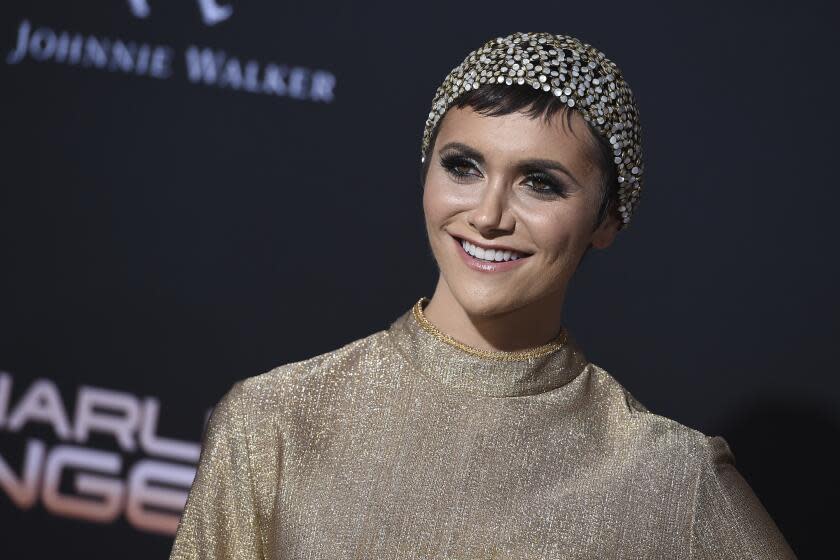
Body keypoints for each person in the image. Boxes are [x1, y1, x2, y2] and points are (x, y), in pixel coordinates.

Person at [169, 32, 797, 559]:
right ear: (425, 176)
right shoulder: (275, 421)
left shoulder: (670, 477)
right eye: (463, 167)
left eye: (541, 184)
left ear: (608, 220)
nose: (488, 214)